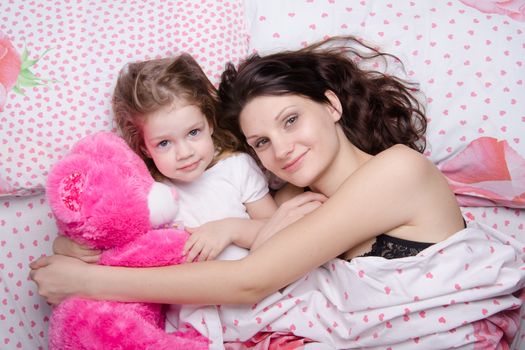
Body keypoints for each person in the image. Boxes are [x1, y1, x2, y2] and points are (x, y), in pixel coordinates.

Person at [31, 35, 467, 306]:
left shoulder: (399, 170)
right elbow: (206, 248)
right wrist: (77, 251)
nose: (281, 148)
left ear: (331, 105)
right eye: (260, 142)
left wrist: (88, 281)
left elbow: (247, 282)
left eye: (291, 120)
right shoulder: (292, 202)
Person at [53, 53, 278, 264]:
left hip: (255, 294)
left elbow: (277, 231)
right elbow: (104, 238)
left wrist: (229, 230)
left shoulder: (237, 168)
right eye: (164, 143)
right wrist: (64, 246)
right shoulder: (146, 193)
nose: (185, 153)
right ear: (145, 148)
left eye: (193, 132)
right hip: (192, 302)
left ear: (209, 122)